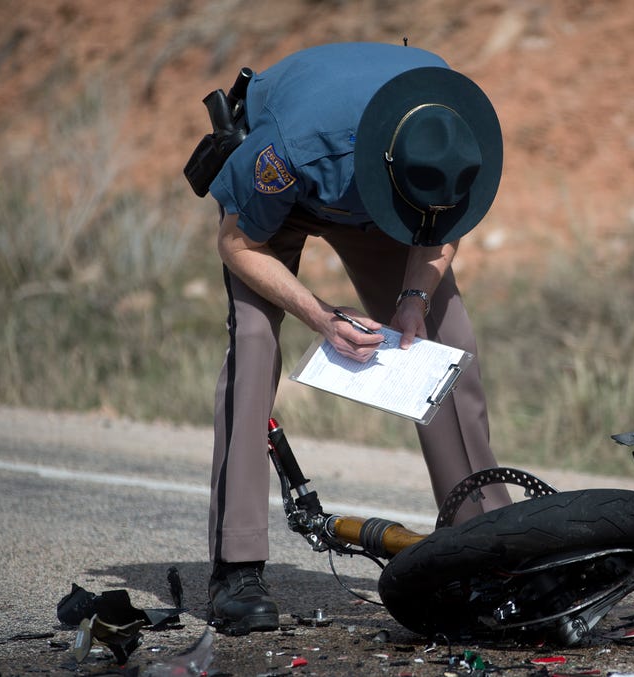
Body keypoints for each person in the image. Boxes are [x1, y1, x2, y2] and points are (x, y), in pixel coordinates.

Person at [203, 41, 513, 634]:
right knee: (254, 345)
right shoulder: (291, 149)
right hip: (288, 204)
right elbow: (237, 246)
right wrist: (321, 317)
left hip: (393, 206)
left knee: (450, 352)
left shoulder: (452, 132)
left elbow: (442, 229)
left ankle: (482, 546)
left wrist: (415, 300)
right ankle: (235, 567)